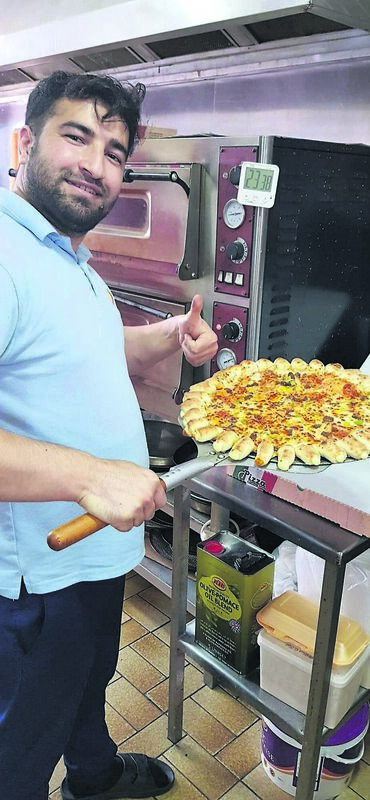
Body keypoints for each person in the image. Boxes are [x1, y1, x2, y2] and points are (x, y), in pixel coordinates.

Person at [0, 71, 218, 800]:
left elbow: (86, 353)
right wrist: (90, 477)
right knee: (19, 745)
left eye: (116, 151)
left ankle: (93, 778)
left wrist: (165, 337)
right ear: (23, 142)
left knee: (90, 678)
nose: (97, 164)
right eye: (77, 136)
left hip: (90, 557)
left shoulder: (65, 254)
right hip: (33, 580)